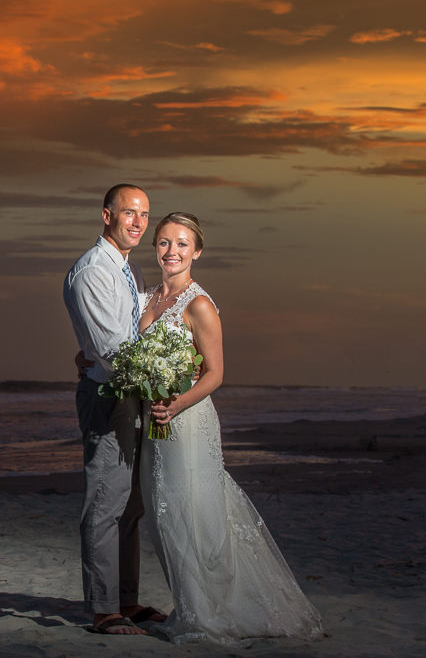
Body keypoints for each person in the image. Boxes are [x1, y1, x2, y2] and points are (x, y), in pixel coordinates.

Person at [142, 212, 323, 645]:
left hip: (186, 420)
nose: (172, 252)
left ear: (197, 251)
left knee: (195, 512)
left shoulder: (199, 304)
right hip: (154, 422)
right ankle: (191, 605)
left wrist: (176, 405)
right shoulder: (146, 298)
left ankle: (208, 613)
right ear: (155, 248)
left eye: (182, 244)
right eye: (164, 243)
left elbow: (215, 373)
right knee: (164, 512)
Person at [62, 184, 166, 635]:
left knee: (131, 504)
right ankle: (104, 610)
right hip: (109, 396)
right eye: (129, 213)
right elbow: (112, 349)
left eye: (144, 214)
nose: (139, 222)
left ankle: (127, 599)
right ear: (107, 215)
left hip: (133, 395)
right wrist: (166, 375)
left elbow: (132, 332)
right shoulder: (92, 272)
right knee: (106, 502)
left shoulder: (130, 269)